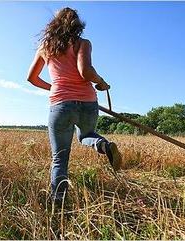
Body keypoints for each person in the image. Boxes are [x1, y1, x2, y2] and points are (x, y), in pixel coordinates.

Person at [27, 7, 122, 203]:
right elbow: (85, 71)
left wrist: (55, 87)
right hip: (88, 102)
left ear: (54, 24)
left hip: (60, 104)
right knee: (86, 136)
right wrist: (101, 81)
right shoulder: (83, 43)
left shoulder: (45, 47)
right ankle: (102, 145)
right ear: (77, 25)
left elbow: (32, 78)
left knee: (59, 158)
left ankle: (59, 202)